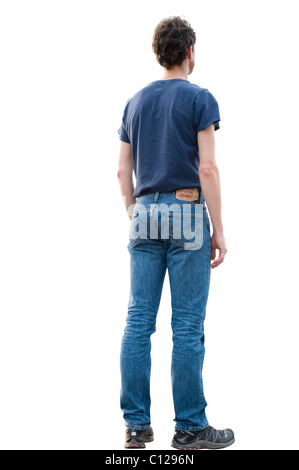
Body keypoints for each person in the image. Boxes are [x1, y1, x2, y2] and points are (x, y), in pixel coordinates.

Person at [117, 16, 235, 450]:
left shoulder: (134, 103)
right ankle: (189, 428)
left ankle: (136, 428)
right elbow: (207, 168)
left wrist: (135, 209)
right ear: (189, 52)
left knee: (137, 321)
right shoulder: (200, 98)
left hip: (143, 213)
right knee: (186, 325)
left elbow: (121, 169)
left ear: (158, 54)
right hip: (187, 212)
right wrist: (218, 229)